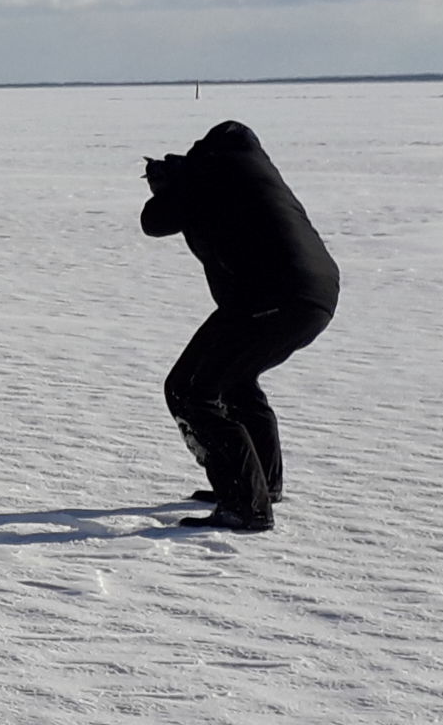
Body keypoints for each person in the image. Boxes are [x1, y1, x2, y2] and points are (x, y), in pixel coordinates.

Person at [141, 120, 339, 532]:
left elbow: (155, 220)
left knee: (194, 390)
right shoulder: (248, 169)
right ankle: (261, 483)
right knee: (233, 380)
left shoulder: (210, 173)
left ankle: (246, 504)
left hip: (273, 297)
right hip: (307, 296)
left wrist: (169, 185)